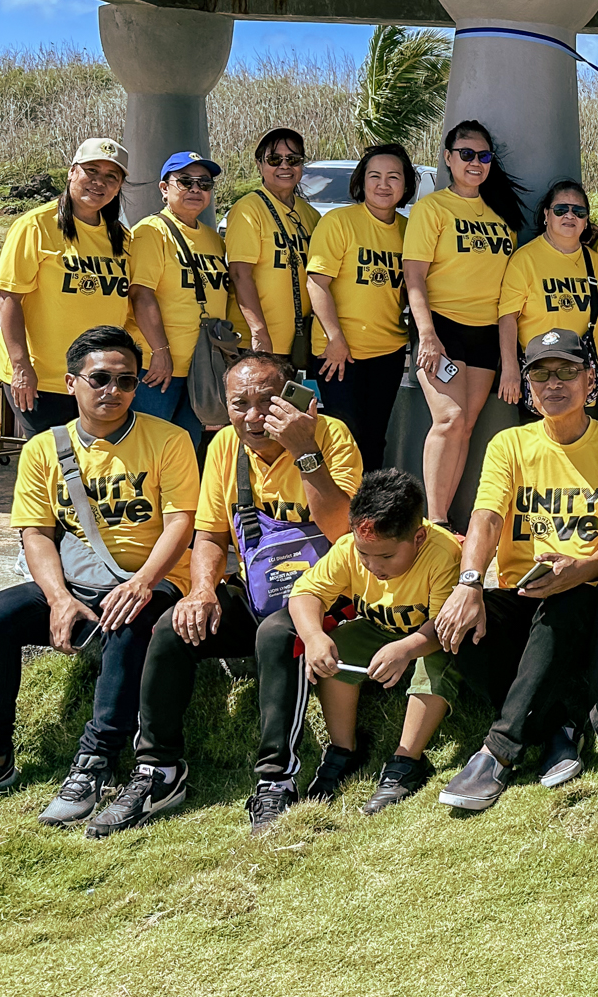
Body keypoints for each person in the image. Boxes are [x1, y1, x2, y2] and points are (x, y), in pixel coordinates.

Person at [0, 327, 197, 823]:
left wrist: (142, 581)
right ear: (70, 382)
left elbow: (180, 523)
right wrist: (60, 599)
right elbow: (36, 533)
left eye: (127, 381)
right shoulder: (43, 448)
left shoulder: (169, 439)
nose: (114, 391)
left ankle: (96, 760)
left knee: (127, 624)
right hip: (76, 582)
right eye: (100, 378)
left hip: (153, 577)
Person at [95, 351, 362, 837]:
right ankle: (159, 771)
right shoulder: (223, 446)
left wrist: (304, 450)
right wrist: (201, 591)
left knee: (281, 635)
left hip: (329, 595)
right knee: (170, 627)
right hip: (260, 587)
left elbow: (345, 529)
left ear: (294, 400)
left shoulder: (331, 435)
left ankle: (275, 779)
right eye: (240, 405)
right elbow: (212, 537)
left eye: (267, 402)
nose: (253, 417)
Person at [433, 329, 598, 811]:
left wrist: (577, 567)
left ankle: (498, 751)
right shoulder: (509, 444)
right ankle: (555, 727)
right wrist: (469, 585)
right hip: (521, 589)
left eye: (568, 371)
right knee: (460, 625)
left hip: (586, 593)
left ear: (590, 380)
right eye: (541, 374)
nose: (555, 384)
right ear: (528, 387)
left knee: (569, 597)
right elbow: (485, 517)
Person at [278, 469, 464, 816]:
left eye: (386, 557)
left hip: (430, 638)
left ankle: (406, 761)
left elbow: (444, 626)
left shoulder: (443, 554)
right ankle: (343, 750)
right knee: (337, 649)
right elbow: (306, 593)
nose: (372, 566)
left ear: (419, 537)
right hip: (379, 630)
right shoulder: (350, 548)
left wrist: (406, 649)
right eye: (365, 555)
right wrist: (315, 638)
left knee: (436, 662)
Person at [402, 120, 522, 527]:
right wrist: (428, 335)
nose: (475, 162)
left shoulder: (502, 214)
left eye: (483, 155)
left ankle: (446, 519)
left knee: (466, 426)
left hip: (486, 332)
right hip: (443, 327)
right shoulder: (432, 208)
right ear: (449, 158)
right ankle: (433, 521)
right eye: (466, 154)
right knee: (449, 419)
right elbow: (414, 276)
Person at [0, 138, 132, 433]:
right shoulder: (35, 226)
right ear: (72, 172)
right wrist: (21, 366)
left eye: (111, 177)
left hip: (99, 379)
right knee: (53, 465)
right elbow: (7, 297)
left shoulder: (121, 236)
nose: (99, 183)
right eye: (91, 171)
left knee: (95, 465)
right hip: (43, 378)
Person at [305, 143, 418, 469]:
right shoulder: (339, 222)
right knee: (343, 439)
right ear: (362, 181)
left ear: (406, 184)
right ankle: (337, 513)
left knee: (374, 438)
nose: (384, 185)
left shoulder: (408, 230)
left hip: (388, 352)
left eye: (393, 177)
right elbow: (317, 283)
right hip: (339, 354)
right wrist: (335, 339)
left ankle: (369, 515)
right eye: (375, 176)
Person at [127, 150, 239, 448]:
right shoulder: (152, 232)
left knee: (185, 451)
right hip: (158, 368)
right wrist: (160, 352)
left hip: (200, 368)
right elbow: (140, 294)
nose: (195, 190)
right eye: (185, 182)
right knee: (149, 449)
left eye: (204, 184)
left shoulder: (214, 239)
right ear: (164, 189)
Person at [499, 178, 598, 401]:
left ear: (586, 219)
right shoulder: (524, 260)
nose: (570, 216)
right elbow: (507, 317)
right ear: (546, 215)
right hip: (542, 377)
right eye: (561, 209)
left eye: (578, 211)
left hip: (582, 378)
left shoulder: (596, 262)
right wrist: (510, 369)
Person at [226, 128, 324, 369]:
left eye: (293, 160)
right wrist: (259, 333)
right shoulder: (248, 209)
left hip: (297, 342)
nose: (284, 166)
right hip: (256, 343)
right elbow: (240, 274)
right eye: (274, 159)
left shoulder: (310, 215)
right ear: (259, 164)